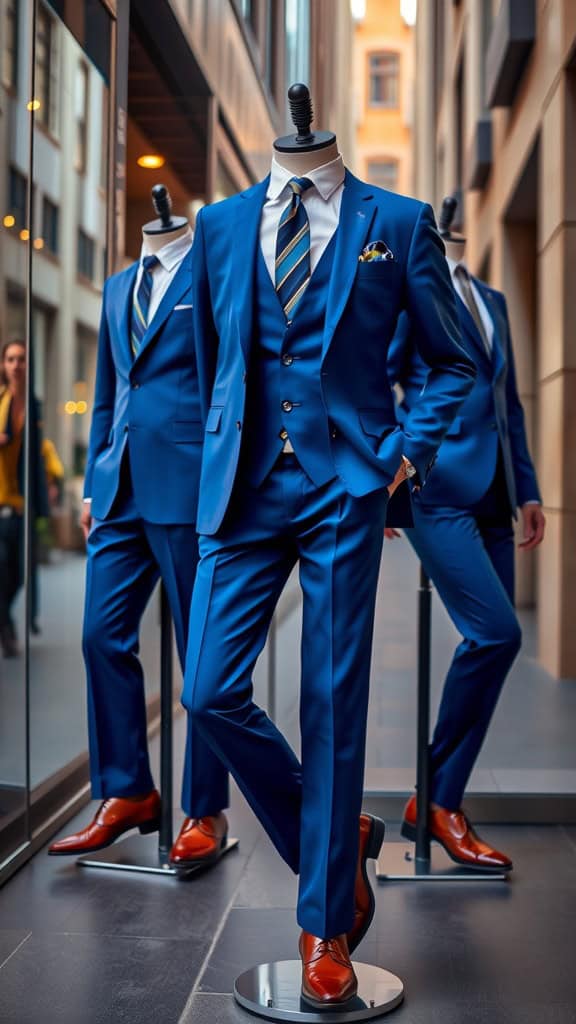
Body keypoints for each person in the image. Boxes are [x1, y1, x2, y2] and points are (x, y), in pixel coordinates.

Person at [183, 130, 476, 1007]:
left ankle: (324, 926)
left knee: (332, 698)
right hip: (241, 491)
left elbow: (452, 361)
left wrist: (405, 455)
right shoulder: (221, 224)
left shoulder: (397, 221)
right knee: (207, 691)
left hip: (344, 484)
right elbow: (214, 365)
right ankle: (337, 837)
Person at [49, 214, 230, 867]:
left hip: (186, 486)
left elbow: (221, 379)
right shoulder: (120, 282)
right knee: (100, 634)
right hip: (119, 490)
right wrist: (96, 472)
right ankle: (128, 792)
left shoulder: (207, 270)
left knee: (201, 654)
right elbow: (108, 390)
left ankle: (204, 808)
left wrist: (221, 479)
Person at [387, 198, 545, 871]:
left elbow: (508, 404)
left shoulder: (493, 300)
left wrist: (529, 489)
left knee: (496, 646)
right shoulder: (409, 286)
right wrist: (387, 469)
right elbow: (380, 379)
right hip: (436, 489)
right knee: (497, 632)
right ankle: (440, 800)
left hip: (495, 493)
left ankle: (436, 799)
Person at [0, 340, 47, 657]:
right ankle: (7, 625)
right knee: (2, 567)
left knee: (20, 572)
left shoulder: (34, 405)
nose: (17, 365)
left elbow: (40, 453)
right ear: (3, 365)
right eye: (11, 359)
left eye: (22, 359)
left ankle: (5, 619)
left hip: (22, 502)